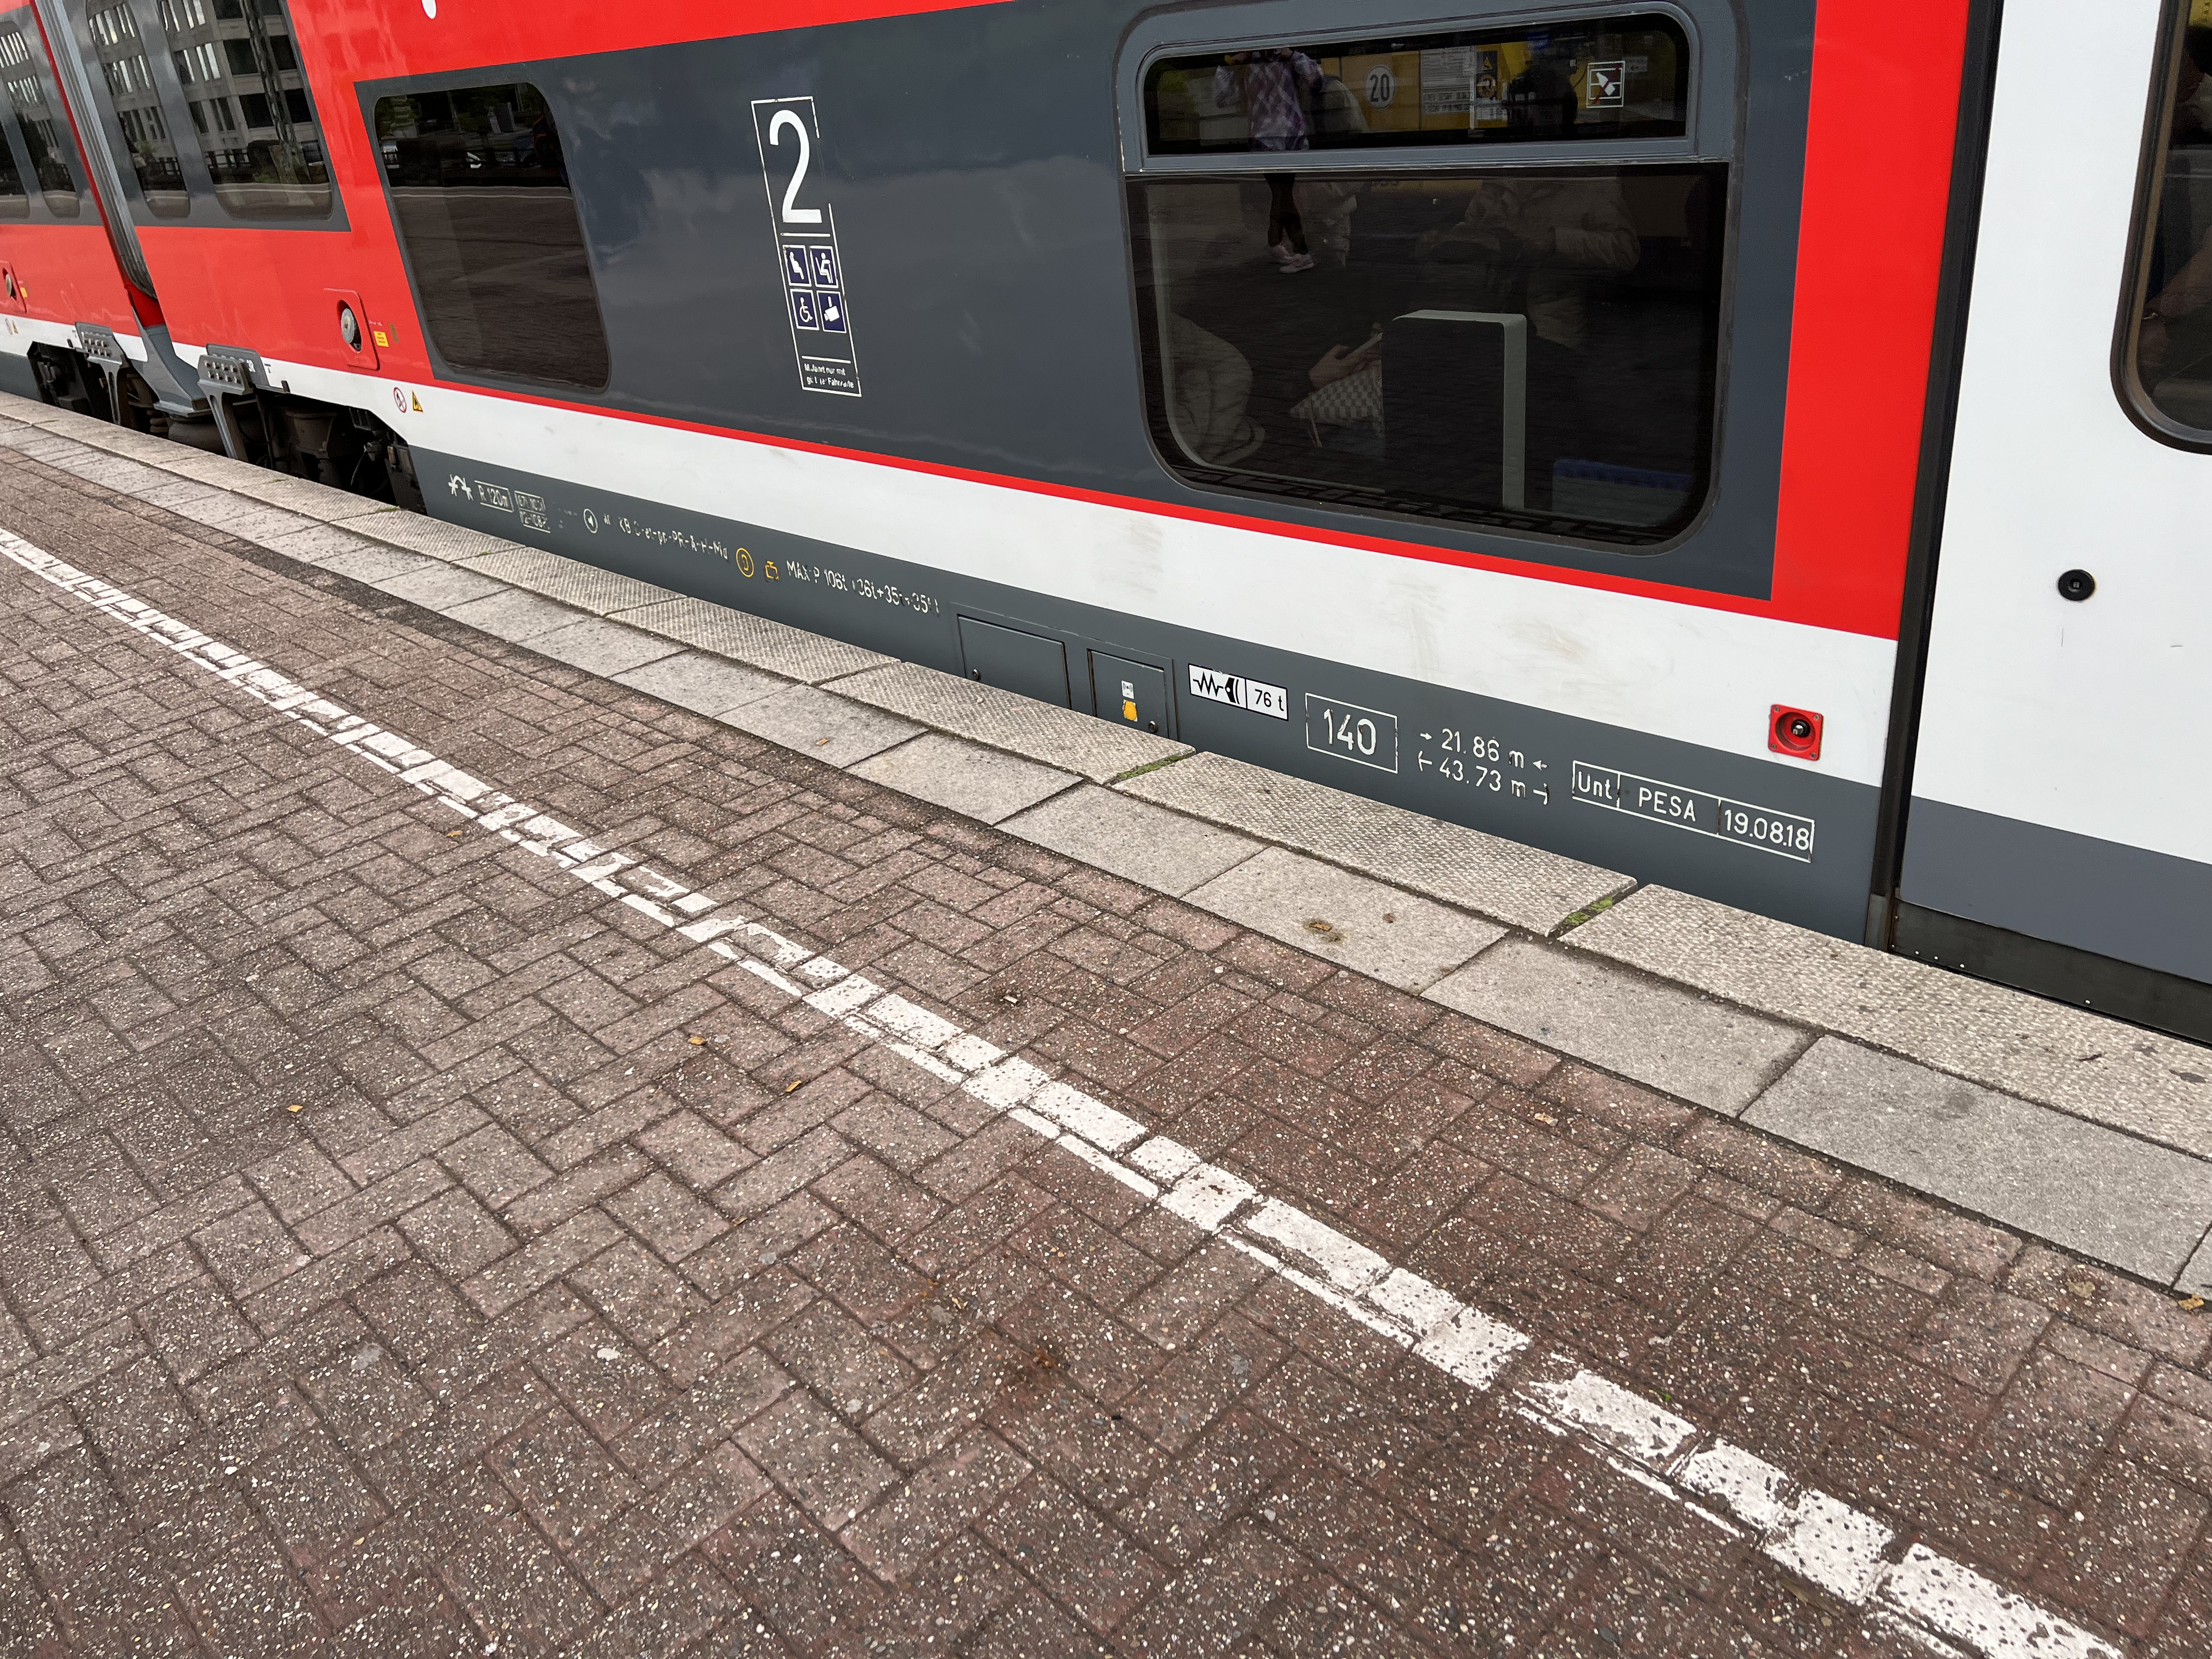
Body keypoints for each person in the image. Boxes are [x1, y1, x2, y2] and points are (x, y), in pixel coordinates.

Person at [1214, 49, 1322, 270]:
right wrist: (1231, 63)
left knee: (1282, 195)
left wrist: (1292, 55)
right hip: (1265, 139)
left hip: (1289, 137)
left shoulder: (1286, 59)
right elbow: (1223, 98)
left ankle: (1297, 251)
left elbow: (1317, 81)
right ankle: (1284, 246)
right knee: (1282, 195)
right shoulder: (1248, 64)